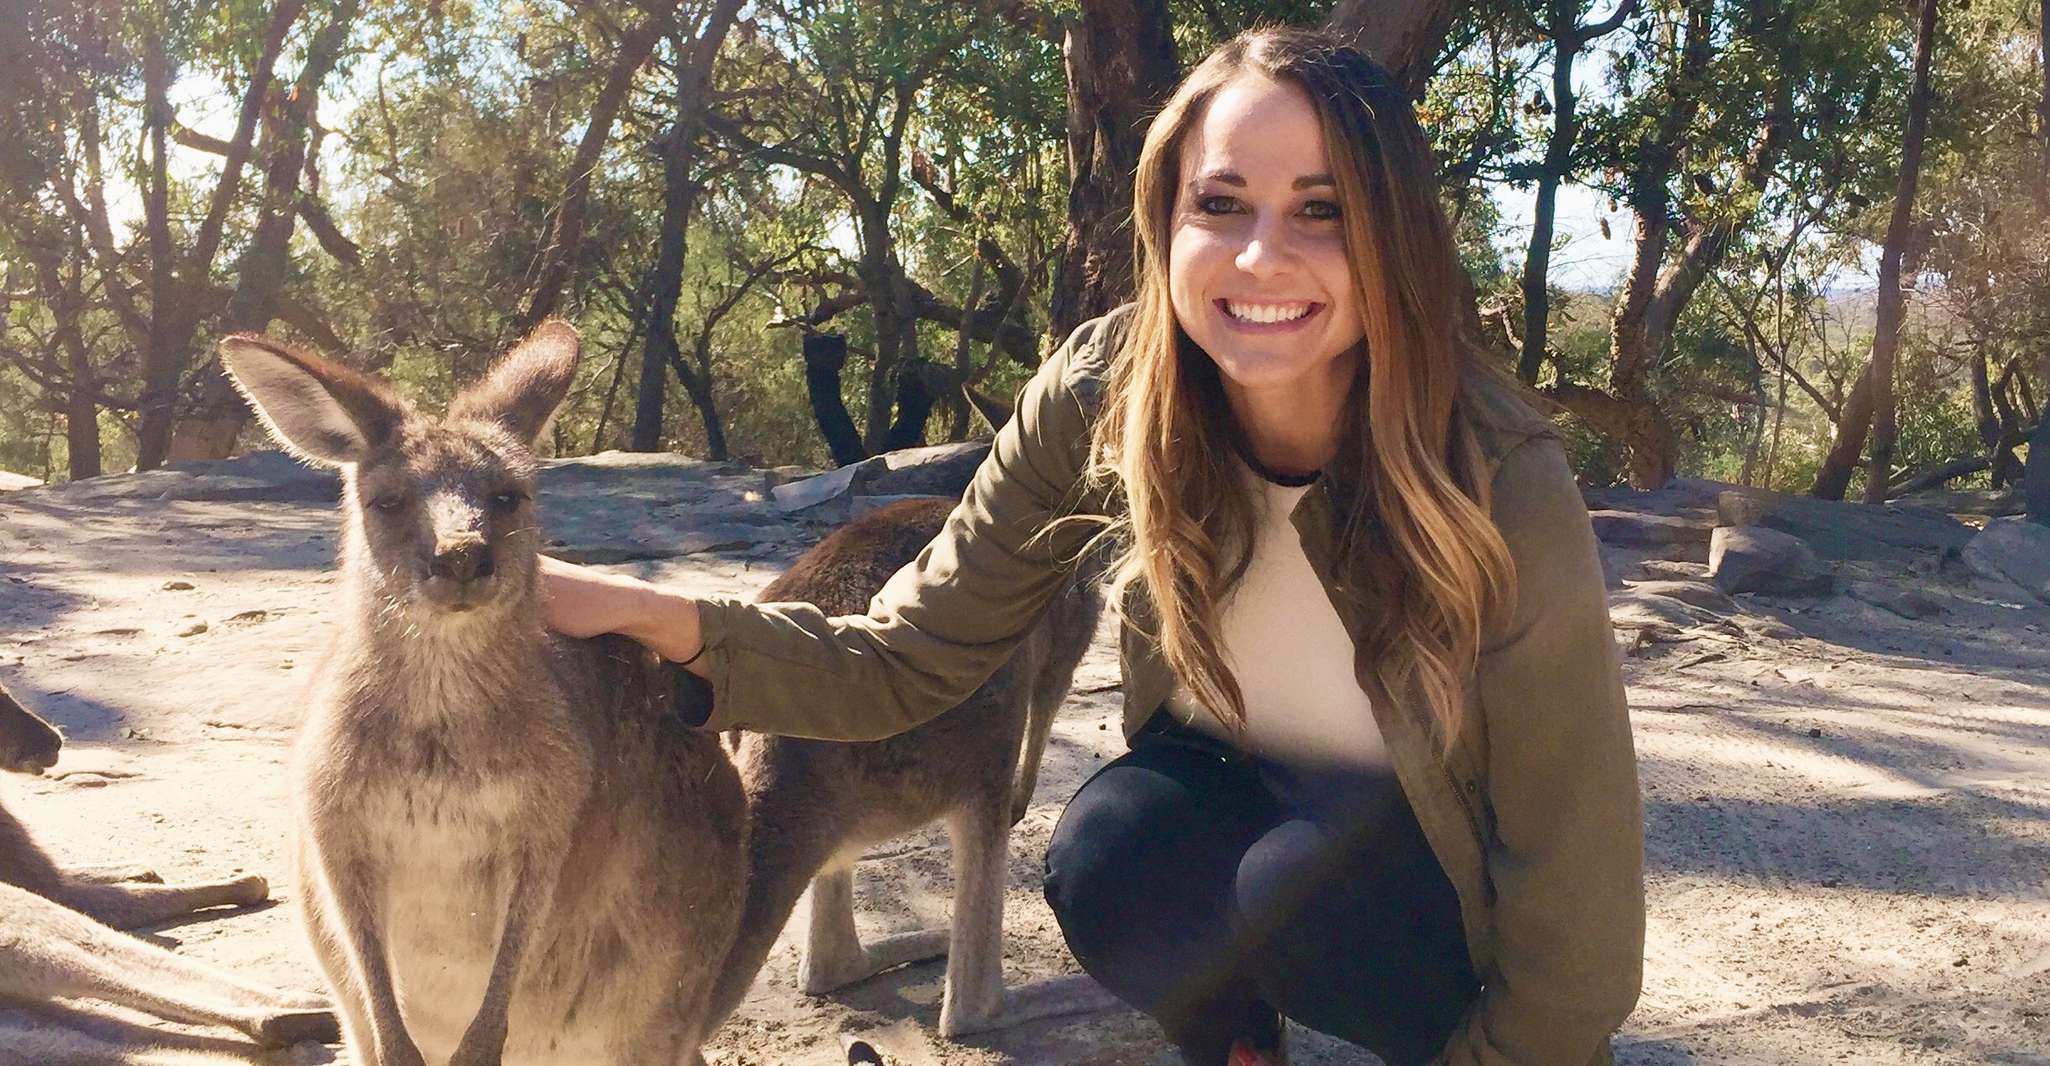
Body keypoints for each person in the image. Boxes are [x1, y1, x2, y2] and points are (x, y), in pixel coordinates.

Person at [542, 26, 1642, 1066]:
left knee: (1292, 890)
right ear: (1166, 221)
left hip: (1420, 870)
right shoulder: (1106, 391)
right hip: (1241, 789)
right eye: (1222, 202)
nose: (1263, 256)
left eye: (1324, 210)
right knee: (1114, 851)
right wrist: (661, 621)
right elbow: (905, 655)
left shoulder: (1491, 469)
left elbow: (1575, 870)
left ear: (1390, 235)